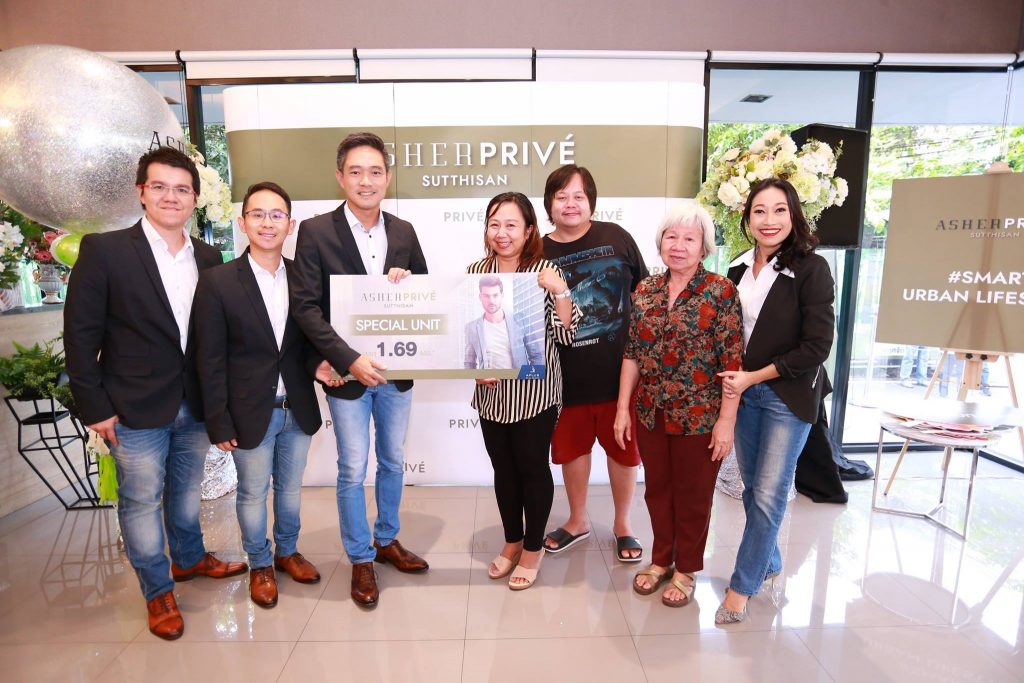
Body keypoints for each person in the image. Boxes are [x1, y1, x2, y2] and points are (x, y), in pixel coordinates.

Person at [64, 146, 247, 641]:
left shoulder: (208, 257)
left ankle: (188, 559)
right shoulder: (105, 250)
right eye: (160, 187)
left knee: (186, 492)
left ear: (195, 199)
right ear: (141, 192)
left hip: (196, 403)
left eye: (182, 189)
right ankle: (158, 590)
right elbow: (80, 336)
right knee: (142, 500)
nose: (171, 197)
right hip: (132, 406)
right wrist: (94, 406)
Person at [290, 132, 429, 609]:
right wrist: (348, 358)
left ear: (387, 177)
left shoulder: (404, 232)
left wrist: (408, 285)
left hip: (395, 371)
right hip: (345, 374)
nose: (365, 181)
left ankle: (386, 539)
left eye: (374, 171)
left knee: (392, 460)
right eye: (355, 171)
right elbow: (306, 308)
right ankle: (360, 557)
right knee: (352, 468)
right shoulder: (315, 232)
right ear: (340, 177)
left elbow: (426, 295)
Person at [194, 182, 341, 609]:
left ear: (290, 225)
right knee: (252, 493)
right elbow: (209, 357)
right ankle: (259, 563)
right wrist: (218, 419)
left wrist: (318, 365)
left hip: (298, 407)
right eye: (257, 214)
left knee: (290, 491)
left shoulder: (304, 278)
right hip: (248, 413)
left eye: (277, 215)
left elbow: (309, 340)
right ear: (243, 223)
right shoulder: (218, 281)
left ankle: (287, 552)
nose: (267, 223)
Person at [717, 178, 836, 624]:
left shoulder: (811, 268)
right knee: (753, 488)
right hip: (745, 394)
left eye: (779, 210)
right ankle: (769, 562)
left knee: (769, 494)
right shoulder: (737, 269)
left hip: (788, 394)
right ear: (747, 218)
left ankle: (741, 587)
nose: (769, 220)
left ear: (794, 215)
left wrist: (754, 376)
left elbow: (817, 346)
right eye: (760, 211)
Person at [612, 202, 742, 608]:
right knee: (658, 491)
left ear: (704, 247)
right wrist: (622, 408)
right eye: (671, 237)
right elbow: (632, 353)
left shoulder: (720, 291)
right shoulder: (646, 290)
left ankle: (686, 569)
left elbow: (732, 363)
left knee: (693, 495)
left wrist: (726, 422)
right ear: (660, 242)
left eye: (689, 238)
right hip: (651, 411)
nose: (679, 245)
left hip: (700, 417)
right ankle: (660, 559)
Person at [467, 191, 580, 590]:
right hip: (492, 394)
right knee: (503, 469)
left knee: (532, 468)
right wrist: (474, 373)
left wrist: (561, 291)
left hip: (536, 393)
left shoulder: (545, 271)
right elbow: (468, 337)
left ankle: (533, 548)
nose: (502, 232)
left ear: (529, 229)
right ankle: (512, 539)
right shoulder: (475, 272)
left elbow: (567, 334)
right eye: (494, 224)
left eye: (511, 225)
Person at [541, 165, 649, 563]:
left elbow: (644, 294)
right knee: (572, 451)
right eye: (561, 197)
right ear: (549, 204)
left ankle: (623, 524)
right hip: (562, 377)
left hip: (621, 374)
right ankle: (577, 520)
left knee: (624, 452)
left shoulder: (616, 238)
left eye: (578, 196)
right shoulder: (537, 251)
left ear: (591, 202)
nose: (570, 204)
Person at [464, 274, 543, 370]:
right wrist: (478, 377)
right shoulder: (471, 328)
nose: (491, 300)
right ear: (480, 297)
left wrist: (529, 377)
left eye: (495, 295)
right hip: (488, 379)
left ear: (502, 295)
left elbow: (536, 356)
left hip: (518, 379)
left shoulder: (521, 321)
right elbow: (469, 363)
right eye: (486, 296)